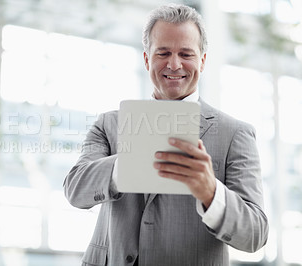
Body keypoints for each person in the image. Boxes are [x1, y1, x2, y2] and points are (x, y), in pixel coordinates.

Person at [64, 3, 269, 266]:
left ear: (202, 61)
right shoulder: (110, 124)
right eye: (163, 53)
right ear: (147, 58)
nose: (174, 64)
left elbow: (256, 234)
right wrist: (127, 165)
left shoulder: (235, 134)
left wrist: (210, 193)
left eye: (186, 54)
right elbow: (75, 189)